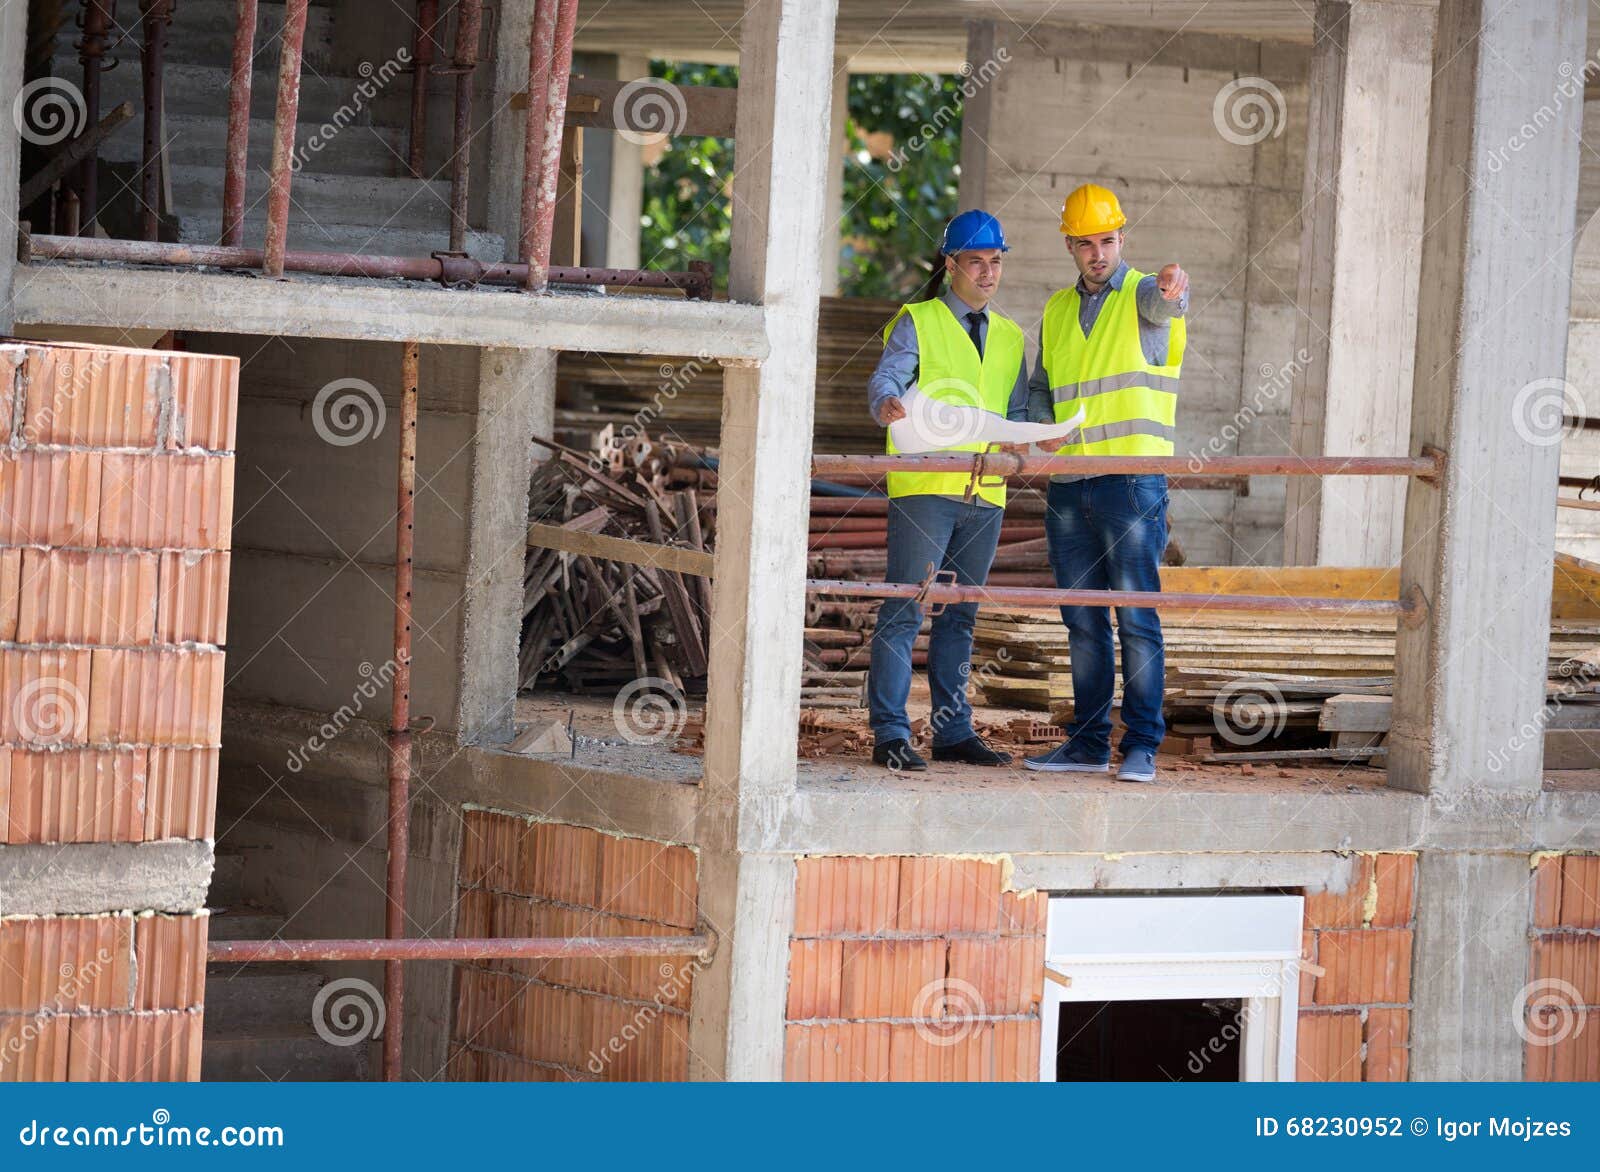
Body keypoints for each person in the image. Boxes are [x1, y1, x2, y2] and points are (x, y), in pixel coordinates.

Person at [1022, 183, 1189, 783]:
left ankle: (1142, 743)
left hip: (1132, 483)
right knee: (1083, 620)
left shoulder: (1143, 297)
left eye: (1108, 241)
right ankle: (1089, 743)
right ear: (1070, 245)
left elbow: (1168, 300)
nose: (1099, 253)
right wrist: (1041, 425)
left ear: (1123, 238)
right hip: (1070, 484)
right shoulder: (1058, 311)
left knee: (1136, 618)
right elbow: (1043, 383)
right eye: (1087, 243)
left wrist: (1174, 283)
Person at [864, 209, 1029, 771]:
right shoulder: (921, 319)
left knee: (960, 615)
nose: (988, 274)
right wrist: (886, 402)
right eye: (977, 262)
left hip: (985, 493)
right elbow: (889, 375)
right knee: (905, 608)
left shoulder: (1010, 336)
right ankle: (889, 732)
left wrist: (1031, 443)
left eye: (996, 262)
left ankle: (953, 732)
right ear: (951, 264)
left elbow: (1018, 412)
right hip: (926, 486)